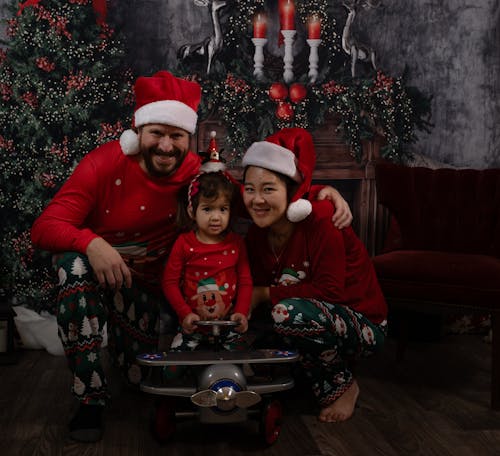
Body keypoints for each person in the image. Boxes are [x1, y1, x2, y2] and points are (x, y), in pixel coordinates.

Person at [30, 70, 352, 442]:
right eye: (157, 133)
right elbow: (45, 227)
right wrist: (92, 244)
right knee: (72, 265)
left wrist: (321, 193)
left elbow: (257, 200)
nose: (166, 146)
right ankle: (90, 400)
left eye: (176, 136)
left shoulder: (195, 173)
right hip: (100, 275)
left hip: (150, 295)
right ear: (138, 132)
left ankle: (126, 358)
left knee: (139, 381)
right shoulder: (104, 164)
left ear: (188, 137)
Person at [241, 127, 388, 423]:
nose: (257, 199)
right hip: (307, 315)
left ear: (292, 191)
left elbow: (331, 293)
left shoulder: (322, 219)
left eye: (268, 189)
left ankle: (343, 386)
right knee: (258, 355)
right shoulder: (257, 233)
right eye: (249, 189)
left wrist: (262, 294)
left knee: (286, 313)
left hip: (362, 321)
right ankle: (305, 370)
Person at [162, 154, 252, 353]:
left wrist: (241, 312)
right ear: (192, 211)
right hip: (193, 325)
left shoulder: (236, 243)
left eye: (222, 209)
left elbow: (245, 281)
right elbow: (169, 282)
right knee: (173, 369)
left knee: (243, 363)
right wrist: (185, 313)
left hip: (229, 324)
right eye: (207, 209)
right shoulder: (184, 243)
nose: (216, 217)